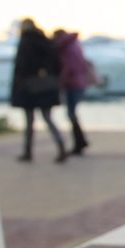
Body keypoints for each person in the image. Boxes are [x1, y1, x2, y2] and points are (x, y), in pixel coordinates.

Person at [11, 18, 67, 163]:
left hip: (29, 87)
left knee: (31, 121)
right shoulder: (44, 41)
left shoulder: (26, 42)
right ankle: (60, 146)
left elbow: (21, 67)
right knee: (47, 118)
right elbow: (56, 63)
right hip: (45, 87)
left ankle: (28, 151)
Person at [53, 29, 91, 156]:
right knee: (72, 113)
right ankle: (80, 142)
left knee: (71, 114)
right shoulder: (75, 45)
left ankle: (79, 143)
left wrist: (60, 81)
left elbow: (68, 67)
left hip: (72, 84)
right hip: (79, 82)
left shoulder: (66, 48)